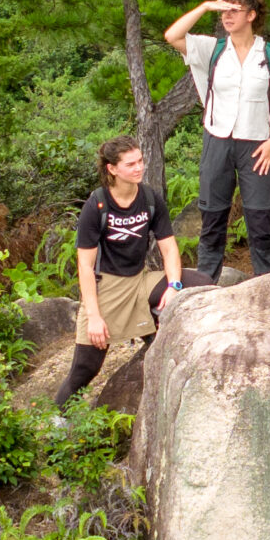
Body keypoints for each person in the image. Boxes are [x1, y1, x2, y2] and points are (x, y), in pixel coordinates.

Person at [59, 134, 211, 406]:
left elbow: (169, 248)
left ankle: (159, 334)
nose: (139, 167)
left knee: (200, 281)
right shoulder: (97, 205)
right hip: (106, 288)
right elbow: (85, 265)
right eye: (130, 164)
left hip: (139, 281)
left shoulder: (150, 199)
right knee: (85, 369)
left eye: (140, 161)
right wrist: (94, 316)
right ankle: (56, 423)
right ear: (112, 169)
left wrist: (175, 286)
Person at [165, 0, 270, 280]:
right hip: (217, 140)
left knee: (260, 219)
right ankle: (204, 285)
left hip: (257, 145)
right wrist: (205, 6)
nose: (227, 16)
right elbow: (172, 36)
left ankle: (269, 284)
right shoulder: (213, 49)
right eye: (224, 11)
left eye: (234, 11)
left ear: (251, 15)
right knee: (212, 217)